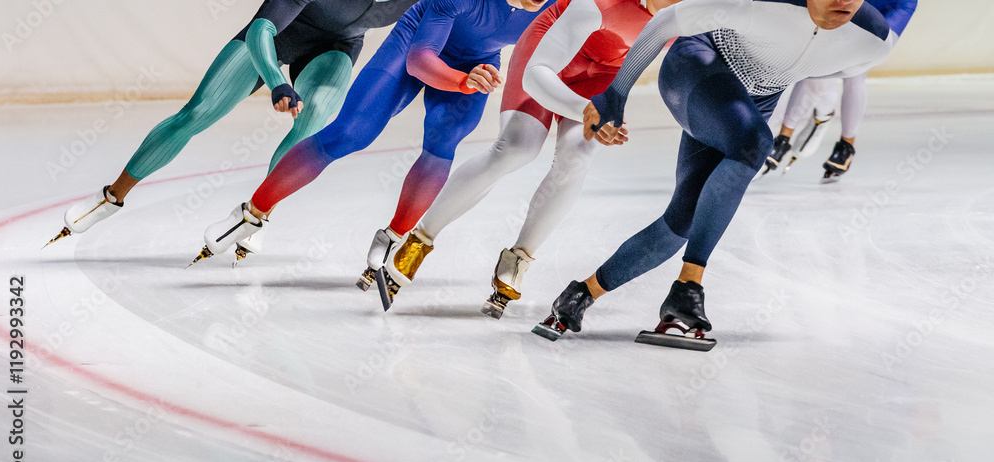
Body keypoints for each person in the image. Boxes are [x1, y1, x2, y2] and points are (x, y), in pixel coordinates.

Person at [533, 0, 897, 348]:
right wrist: (616, 93)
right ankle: (688, 288)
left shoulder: (874, 40)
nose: (844, 1)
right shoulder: (759, 3)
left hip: (756, 97)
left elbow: (830, 66)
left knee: (685, 219)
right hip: (699, 65)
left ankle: (580, 294)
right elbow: (664, 21)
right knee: (755, 142)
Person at [197, 0, 555, 285]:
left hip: (479, 59)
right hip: (418, 42)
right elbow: (418, 62)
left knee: (444, 142)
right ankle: (251, 214)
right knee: (349, 133)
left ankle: (394, 238)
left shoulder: (560, 5)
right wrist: (464, 81)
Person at [47, 0, 418, 259]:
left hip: (337, 45)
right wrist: (276, 80)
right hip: (273, 35)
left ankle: (258, 212)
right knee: (198, 114)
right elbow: (262, 28)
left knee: (315, 118)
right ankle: (111, 196)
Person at [379, 0, 677, 318]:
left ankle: (519, 259)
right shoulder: (601, 4)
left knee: (578, 156)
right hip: (545, 56)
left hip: (603, 74)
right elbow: (536, 76)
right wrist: (585, 111)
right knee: (516, 148)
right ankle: (419, 240)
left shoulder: (688, 16)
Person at [762, 0, 917, 182]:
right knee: (816, 61)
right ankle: (785, 136)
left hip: (892, 6)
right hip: (857, 5)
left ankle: (846, 145)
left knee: (856, 70)